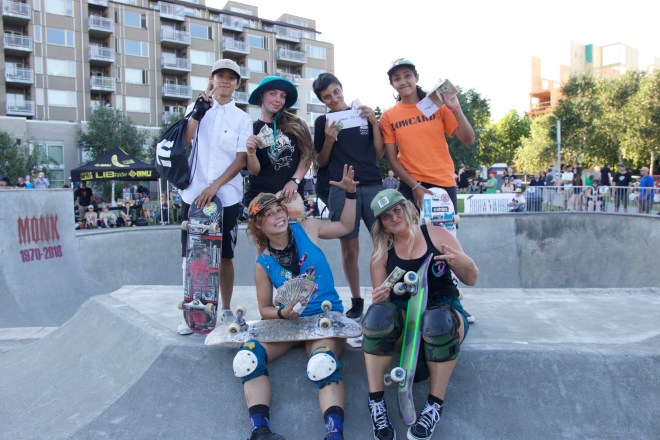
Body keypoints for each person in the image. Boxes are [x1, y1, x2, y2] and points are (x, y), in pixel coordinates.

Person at [235, 166, 357, 440]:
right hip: (291, 323)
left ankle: (334, 435)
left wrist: (351, 195)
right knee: (248, 358)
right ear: (258, 225)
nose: (278, 215)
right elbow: (265, 309)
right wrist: (282, 313)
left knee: (322, 363)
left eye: (278, 210)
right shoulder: (263, 262)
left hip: (326, 319)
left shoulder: (308, 228)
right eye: (269, 214)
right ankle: (260, 431)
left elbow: (346, 226)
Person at [362, 189, 478, 440]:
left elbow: (471, 279)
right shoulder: (381, 251)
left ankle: (434, 405)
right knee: (376, 317)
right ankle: (376, 403)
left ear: (407, 208)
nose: (394, 217)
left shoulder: (436, 234)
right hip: (408, 317)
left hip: (445, 310)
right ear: (381, 224)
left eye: (397, 210)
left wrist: (466, 263)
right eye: (386, 216)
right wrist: (380, 297)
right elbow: (383, 305)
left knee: (437, 322)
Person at [178, 59, 252, 335]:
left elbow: (241, 159)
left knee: (225, 256)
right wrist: (197, 112)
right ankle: (191, 311)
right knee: (191, 255)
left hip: (227, 196)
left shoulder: (242, 119)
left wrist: (215, 186)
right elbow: (184, 140)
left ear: (237, 84)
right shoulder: (196, 108)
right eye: (220, 76)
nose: (225, 81)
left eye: (230, 77)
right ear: (212, 79)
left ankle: (225, 308)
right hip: (193, 193)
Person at [312, 72, 384, 320]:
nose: (333, 98)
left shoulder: (362, 113)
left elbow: (379, 153)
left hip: (372, 184)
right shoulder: (323, 122)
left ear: (342, 88)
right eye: (327, 97)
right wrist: (329, 140)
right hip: (342, 189)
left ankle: (384, 296)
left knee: (383, 244)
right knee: (349, 249)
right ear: (322, 101)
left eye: (336, 92)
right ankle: (356, 299)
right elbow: (320, 161)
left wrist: (374, 123)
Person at [380, 58, 475, 212]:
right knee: (413, 229)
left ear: (417, 77)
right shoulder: (388, 116)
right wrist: (415, 186)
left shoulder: (437, 106)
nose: (403, 82)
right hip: (411, 185)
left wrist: (456, 108)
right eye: (397, 79)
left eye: (407, 75)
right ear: (392, 84)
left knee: (445, 229)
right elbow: (391, 158)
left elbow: (468, 139)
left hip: (443, 183)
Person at [243, 76, 314, 212]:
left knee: (294, 227)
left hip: (291, 199)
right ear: (261, 95)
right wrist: (251, 151)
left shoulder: (297, 125)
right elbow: (254, 171)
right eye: (273, 93)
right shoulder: (250, 129)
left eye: (283, 96)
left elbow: (308, 155)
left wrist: (295, 180)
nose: (278, 99)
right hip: (259, 200)